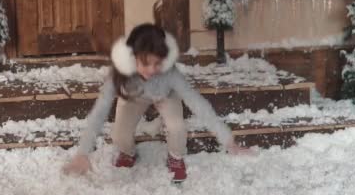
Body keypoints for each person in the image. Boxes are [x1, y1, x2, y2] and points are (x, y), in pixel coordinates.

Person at [62, 23, 250, 183]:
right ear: (133, 58)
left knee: (177, 128)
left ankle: (175, 158)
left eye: (157, 63)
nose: (152, 70)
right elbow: (99, 111)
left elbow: (196, 102)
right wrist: (82, 153)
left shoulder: (169, 73)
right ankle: (128, 153)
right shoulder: (120, 73)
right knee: (119, 136)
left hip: (165, 95)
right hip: (134, 97)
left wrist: (228, 140)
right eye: (145, 63)